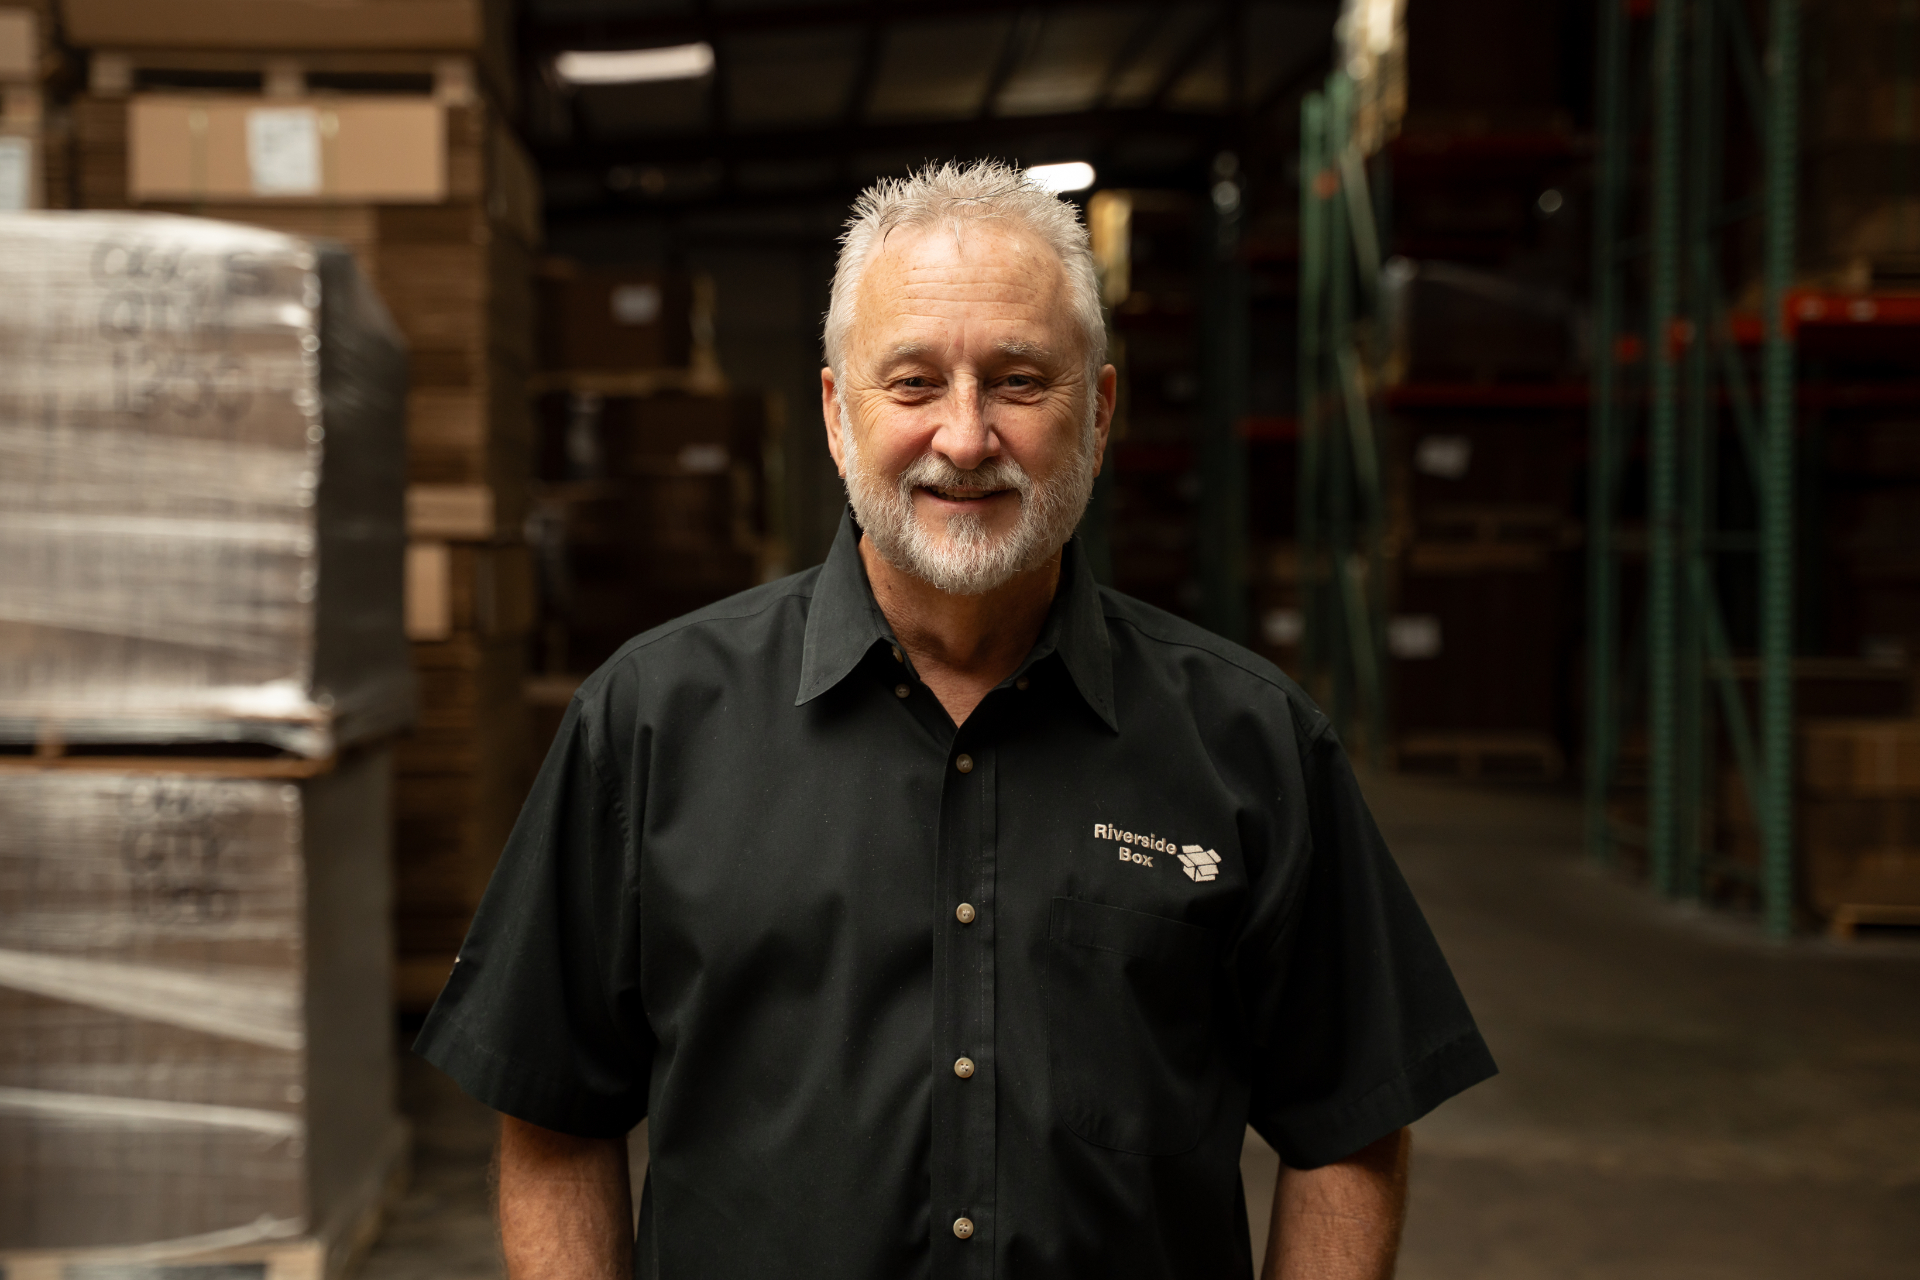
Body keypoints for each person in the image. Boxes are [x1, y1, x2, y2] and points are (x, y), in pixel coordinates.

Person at [416, 159, 1495, 1280]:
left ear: (1102, 411)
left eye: (1021, 380)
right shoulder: (647, 724)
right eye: (915, 382)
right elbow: (551, 1112)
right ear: (839, 413)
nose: (967, 437)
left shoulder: (1252, 744)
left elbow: (1349, 1125)